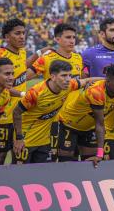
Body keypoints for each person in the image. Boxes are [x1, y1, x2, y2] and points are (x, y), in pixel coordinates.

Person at [12, 60, 101, 164]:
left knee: (44, 175)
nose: (68, 79)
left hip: (44, 141)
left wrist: (108, 80)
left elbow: (87, 81)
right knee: (22, 175)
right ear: (53, 77)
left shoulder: (69, 85)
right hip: (26, 140)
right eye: (63, 75)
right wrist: (19, 138)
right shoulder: (36, 93)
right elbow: (16, 112)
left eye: (69, 75)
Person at [26, 23, 83, 162]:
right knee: (51, 161)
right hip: (54, 119)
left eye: (74, 37)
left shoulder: (78, 58)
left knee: (71, 160)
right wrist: (38, 53)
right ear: (57, 39)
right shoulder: (47, 58)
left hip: (73, 117)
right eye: (68, 37)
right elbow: (24, 77)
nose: (72, 41)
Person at [57, 64, 114, 167]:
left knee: (90, 161)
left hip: (89, 127)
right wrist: (100, 154)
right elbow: (100, 123)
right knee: (67, 163)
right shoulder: (96, 91)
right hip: (69, 124)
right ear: (108, 81)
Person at [0, 18, 33, 165]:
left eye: (23, 33)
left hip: (20, 115)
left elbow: (21, 71)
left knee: (19, 156)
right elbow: (0, 86)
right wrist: (23, 95)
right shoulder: (0, 56)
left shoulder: (22, 53)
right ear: (7, 37)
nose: (22, 36)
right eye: (17, 33)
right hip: (2, 116)